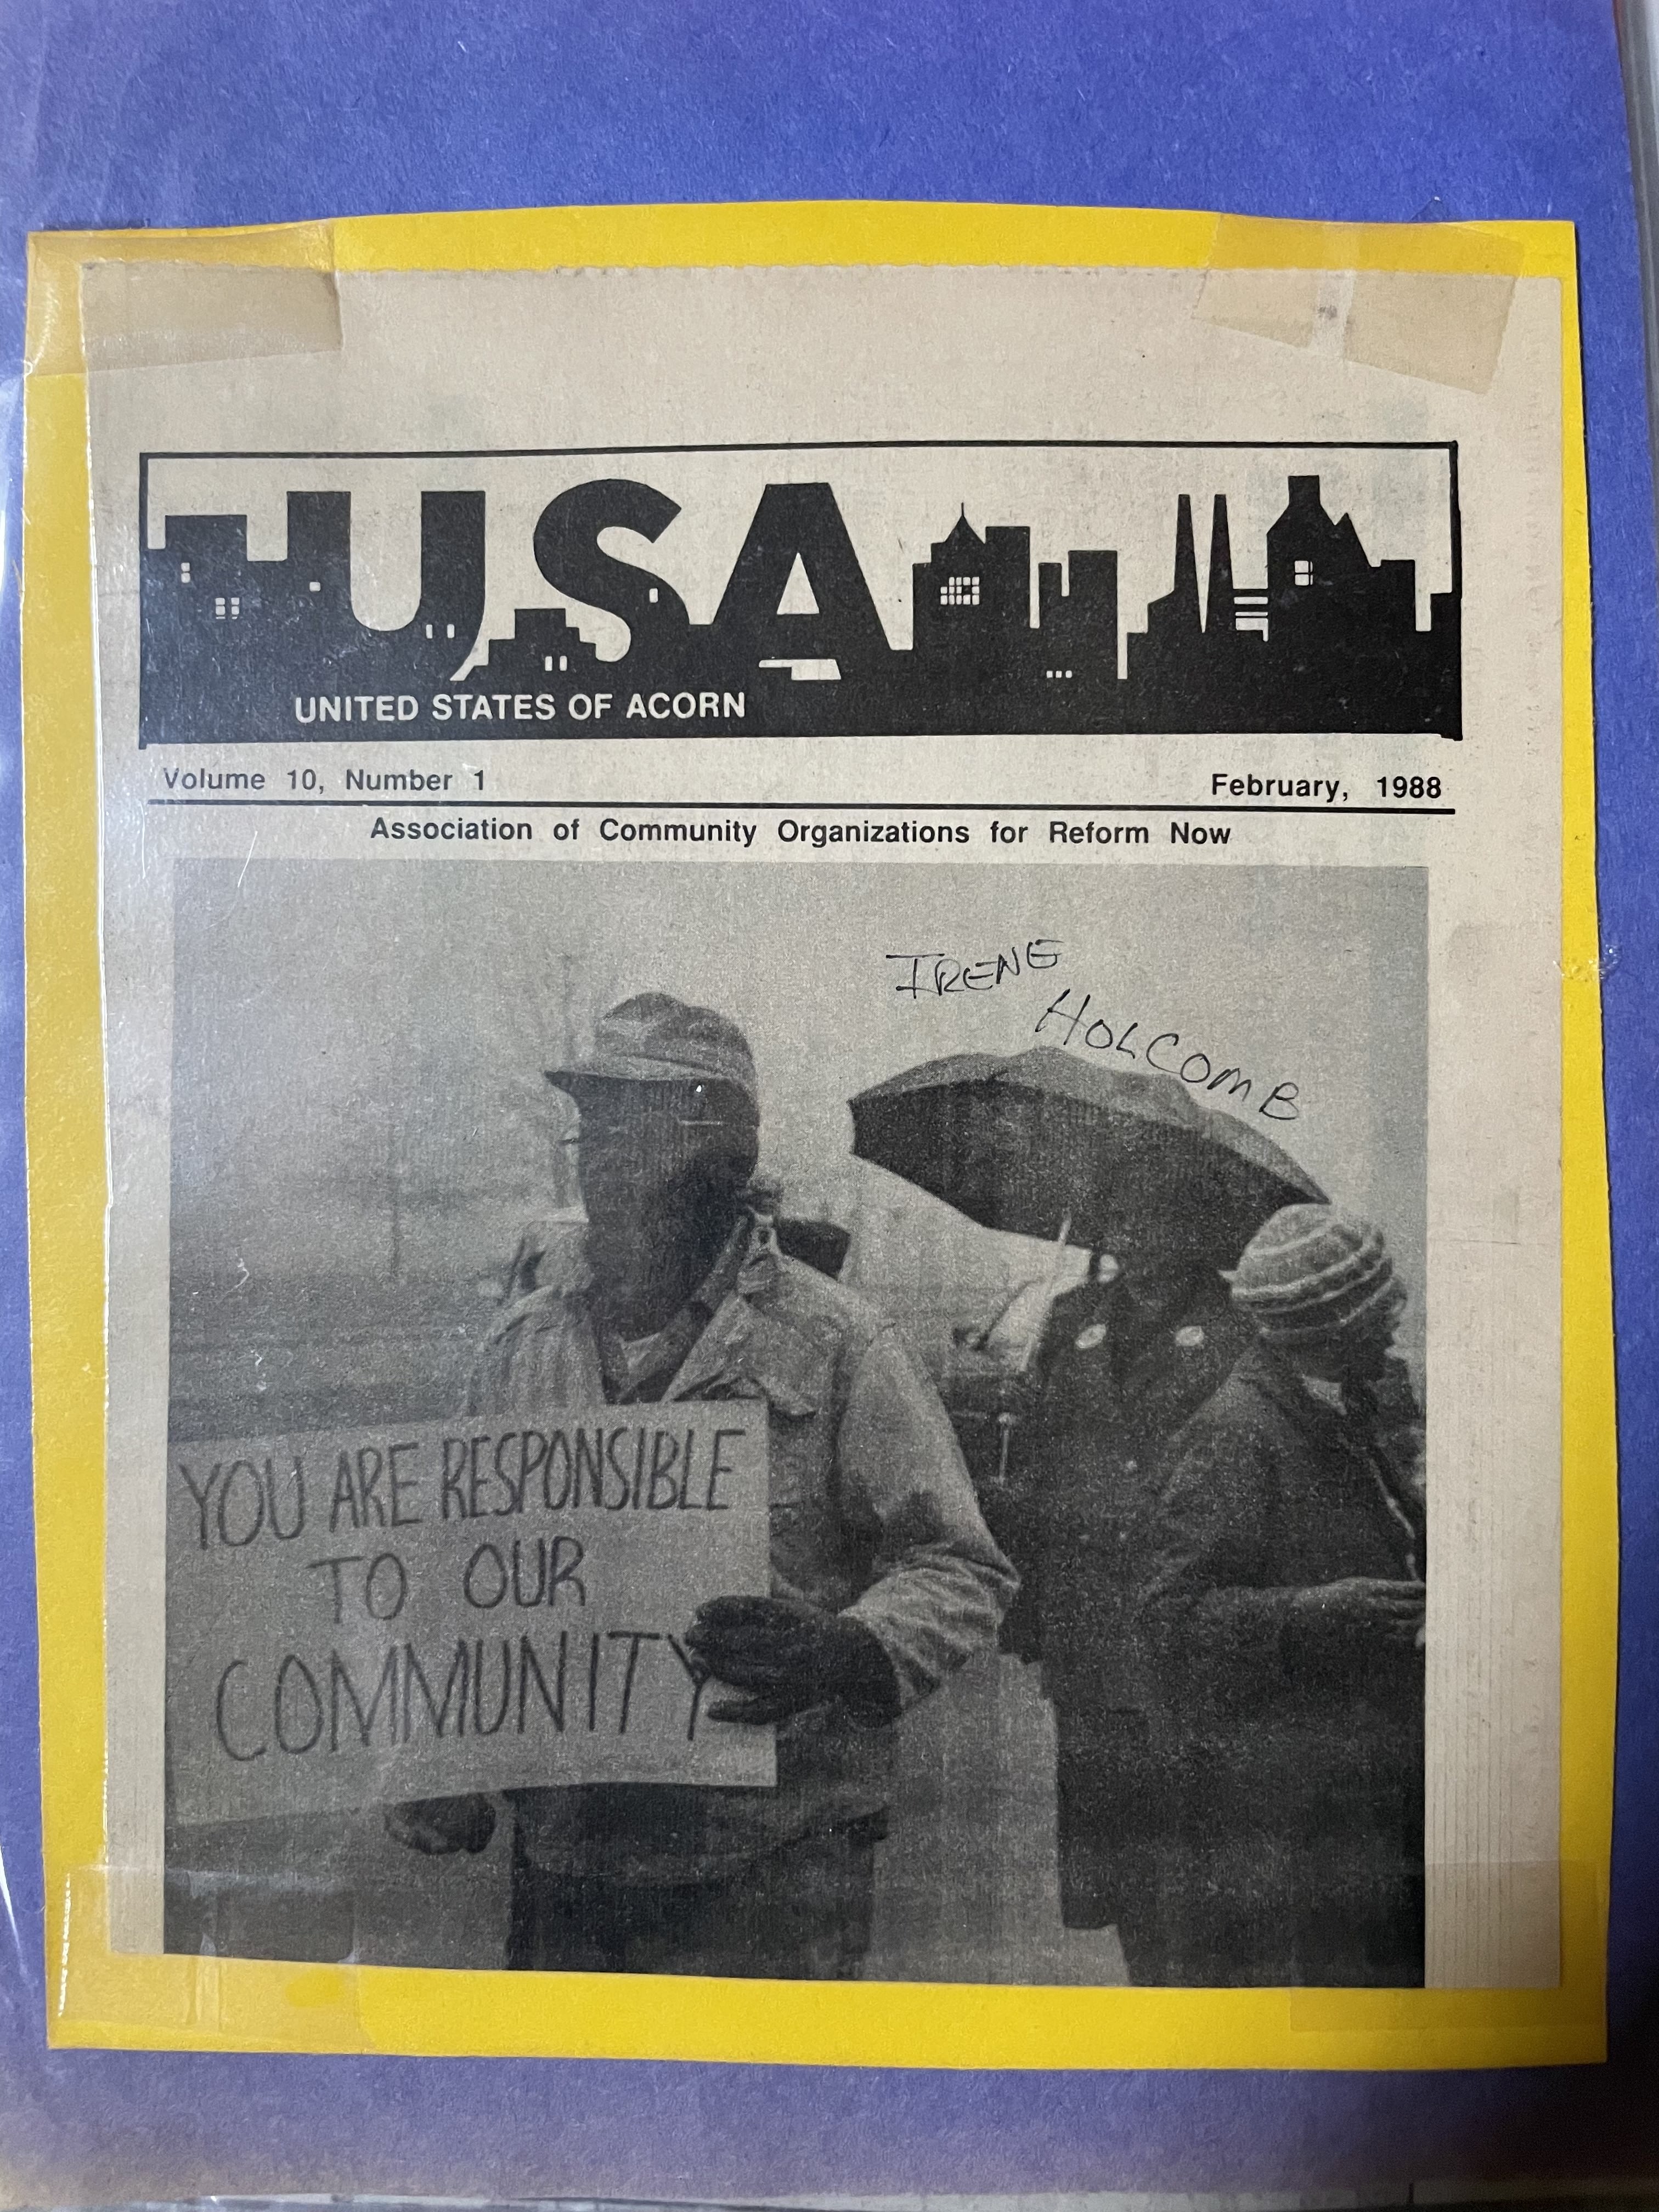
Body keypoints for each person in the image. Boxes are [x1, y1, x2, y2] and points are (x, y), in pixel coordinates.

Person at [385, 990, 1016, 1978]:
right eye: (595, 1131)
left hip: (774, 1857)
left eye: (644, 1131)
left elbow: (957, 1565)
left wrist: (846, 1649)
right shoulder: (524, 1346)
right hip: (570, 1854)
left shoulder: (837, 1342)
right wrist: (440, 1759)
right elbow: (458, 1572)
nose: (604, 1159)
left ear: (725, 1156)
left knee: (762, 2124)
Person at [1132, 1204, 1426, 1987]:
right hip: (1297, 1812)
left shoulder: (1347, 1407)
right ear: (1331, 1325)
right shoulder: (1237, 1435)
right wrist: (1315, 1613)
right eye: (1382, 1304)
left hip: (1363, 1780)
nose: (1399, 1316)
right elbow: (1171, 1618)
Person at [989, 1178, 1256, 1980]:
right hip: (1087, 1623)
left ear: (1200, 1224)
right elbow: (1045, 1449)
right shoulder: (1071, 1318)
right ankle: (1151, 1988)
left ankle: (1200, 2002)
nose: (1139, 1234)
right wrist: (1017, 1484)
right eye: (1126, 1214)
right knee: (1116, 1843)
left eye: (1163, 1212)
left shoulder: (1240, 1329)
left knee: (1196, 1846)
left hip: (1184, 1617)